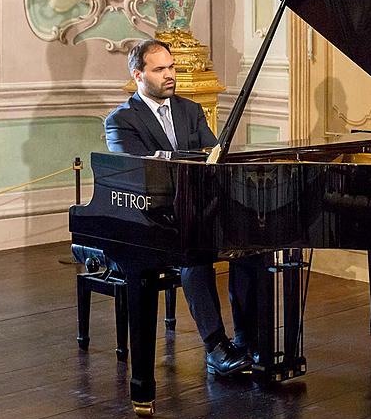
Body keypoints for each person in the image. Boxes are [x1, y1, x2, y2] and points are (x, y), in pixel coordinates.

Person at [105, 38, 259, 377]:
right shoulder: (121, 120)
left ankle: (248, 343)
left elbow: (213, 158)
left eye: (171, 67)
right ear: (138, 75)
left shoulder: (189, 110)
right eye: (159, 69)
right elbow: (140, 176)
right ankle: (216, 347)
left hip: (197, 211)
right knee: (195, 256)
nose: (169, 74)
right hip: (151, 219)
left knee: (252, 247)